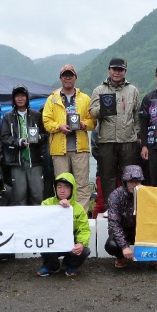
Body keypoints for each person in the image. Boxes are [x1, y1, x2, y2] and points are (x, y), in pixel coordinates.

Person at [42, 64, 96, 211]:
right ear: (60, 78)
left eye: (70, 75)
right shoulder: (51, 99)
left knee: (82, 185)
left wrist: (85, 124)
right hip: (59, 150)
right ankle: (63, 216)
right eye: (65, 75)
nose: (68, 78)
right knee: (61, 186)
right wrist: (59, 127)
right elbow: (46, 122)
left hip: (81, 149)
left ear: (75, 78)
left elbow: (93, 121)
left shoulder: (85, 98)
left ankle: (81, 215)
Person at [90, 57, 141, 203]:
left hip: (128, 141)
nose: (117, 72)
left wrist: (138, 135)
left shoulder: (133, 90)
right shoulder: (99, 90)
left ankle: (130, 205)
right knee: (108, 176)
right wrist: (104, 109)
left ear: (125, 71)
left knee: (129, 176)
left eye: (120, 70)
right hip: (106, 140)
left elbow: (137, 115)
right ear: (109, 70)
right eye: (114, 69)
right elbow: (92, 112)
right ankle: (110, 206)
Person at [104, 165, 157, 270]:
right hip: (123, 230)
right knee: (111, 245)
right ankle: (121, 257)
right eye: (131, 181)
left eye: (137, 182)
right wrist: (124, 247)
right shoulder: (115, 196)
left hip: (143, 229)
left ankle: (153, 258)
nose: (134, 185)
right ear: (125, 181)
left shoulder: (148, 195)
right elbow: (114, 224)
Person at [36, 172, 91, 277]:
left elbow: (84, 230)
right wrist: (57, 207)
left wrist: (81, 243)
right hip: (53, 241)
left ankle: (70, 265)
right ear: (55, 188)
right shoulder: (46, 203)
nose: (62, 190)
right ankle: (51, 266)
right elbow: (41, 223)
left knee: (84, 250)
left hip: (70, 242)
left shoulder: (79, 208)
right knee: (43, 243)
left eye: (66, 187)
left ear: (72, 189)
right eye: (59, 186)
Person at [0, 85, 46, 205]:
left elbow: (45, 135)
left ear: (27, 98)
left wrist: (38, 138)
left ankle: (38, 221)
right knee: (19, 196)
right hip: (16, 162)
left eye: (22, 96)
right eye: (17, 96)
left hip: (35, 161)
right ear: (13, 99)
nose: (20, 98)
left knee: (38, 195)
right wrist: (18, 142)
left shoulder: (37, 115)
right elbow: (4, 137)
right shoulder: (7, 116)